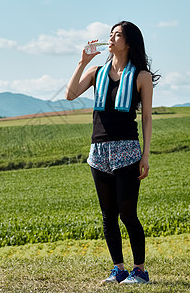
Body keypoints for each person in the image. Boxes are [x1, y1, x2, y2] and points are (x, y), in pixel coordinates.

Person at [66, 21, 160, 285]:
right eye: (111, 34)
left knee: (127, 213)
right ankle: (118, 269)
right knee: (108, 214)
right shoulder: (98, 71)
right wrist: (82, 62)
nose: (111, 38)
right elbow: (70, 94)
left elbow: (147, 119)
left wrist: (146, 155)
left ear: (129, 42)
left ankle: (139, 271)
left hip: (127, 150)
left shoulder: (142, 77)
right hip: (98, 151)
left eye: (117, 35)